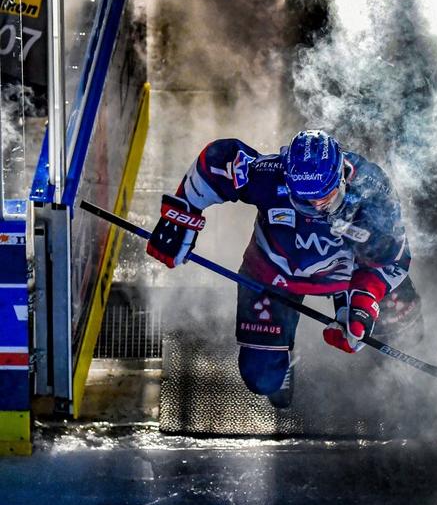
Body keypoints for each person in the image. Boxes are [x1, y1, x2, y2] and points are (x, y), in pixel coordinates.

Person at [146, 129, 423, 408]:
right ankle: (284, 351)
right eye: (305, 198)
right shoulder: (269, 173)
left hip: (348, 274)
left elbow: (395, 258)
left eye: (324, 196)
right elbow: (215, 162)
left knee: (404, 328)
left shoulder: (372, 190)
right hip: (273, 273)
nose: (315, 205)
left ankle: (391, 365)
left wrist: (363, 301)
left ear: (341, 176)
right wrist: (181, 215)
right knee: (263, 379)